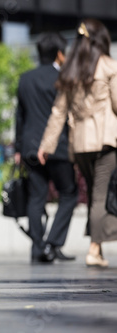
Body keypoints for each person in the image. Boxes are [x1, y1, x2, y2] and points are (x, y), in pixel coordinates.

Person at [38, 19, 117, 268]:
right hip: (105, 142)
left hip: (80, 145)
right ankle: (94, 249)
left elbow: (58, 112)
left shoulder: (70, 71)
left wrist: (46, 145)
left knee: (96, 194)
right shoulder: (109, 66)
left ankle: (98, 248)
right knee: (100, 196)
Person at [14, 33, 79, 264]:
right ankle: (53, 243)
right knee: (69, 194)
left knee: (36, 198)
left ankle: (38, 248)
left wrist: (18, 147)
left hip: (31, 148)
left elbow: (19, 116)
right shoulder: (63, 77)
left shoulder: (25, 79)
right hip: (58, 148)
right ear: (60, 53)